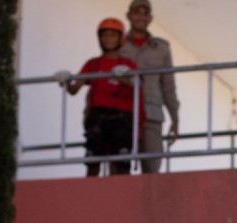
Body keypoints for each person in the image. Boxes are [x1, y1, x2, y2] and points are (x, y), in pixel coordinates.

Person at [56, 18, 139, 177]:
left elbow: (138, 85)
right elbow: (74, 89)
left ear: (120, 38)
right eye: (105, 35)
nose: (108, 39)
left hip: (121, 118)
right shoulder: (93, 64)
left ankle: (123, 198)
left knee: (122, 163)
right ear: (99, 38)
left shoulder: (128, 63)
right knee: (92, 162)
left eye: (113, 36)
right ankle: (90, 198)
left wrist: (125, 77)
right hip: (96, 118)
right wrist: (65, 81)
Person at [119, 0, 179, 173]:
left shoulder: (161, 48)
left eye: (145, 13)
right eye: (137, 13)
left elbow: (168, 85)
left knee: (152, 170)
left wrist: (175, 119)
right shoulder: (117, 43)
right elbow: (103, 75)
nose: (141, 17)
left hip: (151, 115)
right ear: (129, 16)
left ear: (150, 18)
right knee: (119, 168)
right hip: (122, 114)